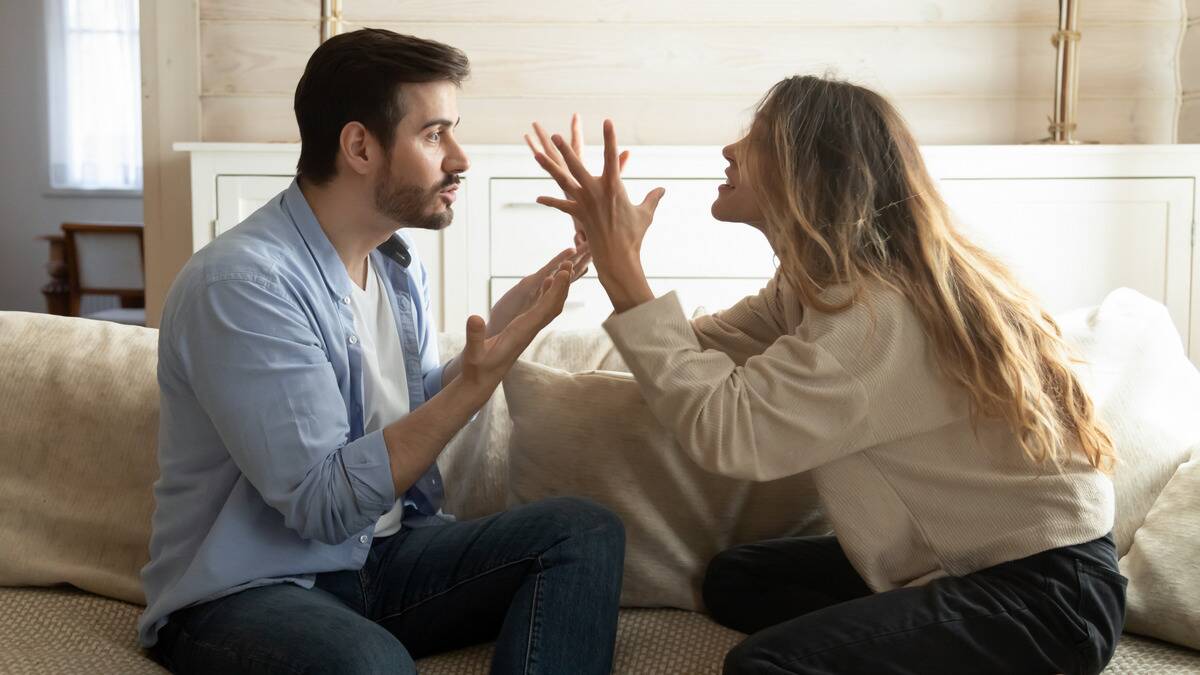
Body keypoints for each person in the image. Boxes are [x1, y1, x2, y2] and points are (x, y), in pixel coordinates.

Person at [526, 76, 1125, 674]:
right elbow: (690, 355)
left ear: (810, 171)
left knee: (765, 666)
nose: (730, 151)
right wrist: (611, 263)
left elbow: (730, 432)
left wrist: (624, 266)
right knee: (735, 582)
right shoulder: (819, 286)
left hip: (1046, 598)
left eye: (755, 139)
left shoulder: (879, 314)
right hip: (970, 562)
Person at [139, 29, 625, 675]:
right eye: (435, 134)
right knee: (371, 664)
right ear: (360, 146)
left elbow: (419, 405)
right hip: (252, 590)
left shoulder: (395, 263)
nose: (461, 157)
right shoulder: (242, 286)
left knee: (583, 531)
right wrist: (473, 388)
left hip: (383, 557)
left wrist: (515, 324)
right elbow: (322, 504)